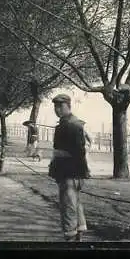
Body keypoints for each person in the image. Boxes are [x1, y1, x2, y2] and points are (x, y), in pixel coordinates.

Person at [48, 94, 88, 242]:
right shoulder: (67, 123)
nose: (57, 109)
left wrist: (59, 155)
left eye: (60, 106)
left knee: (68, 207)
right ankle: (78, 238)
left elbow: (79, 151)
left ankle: (70, 239)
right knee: (75, 205)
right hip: (71, 172)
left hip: (70, 173)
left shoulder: (72, 125)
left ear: (68, 106)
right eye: (55, 107)